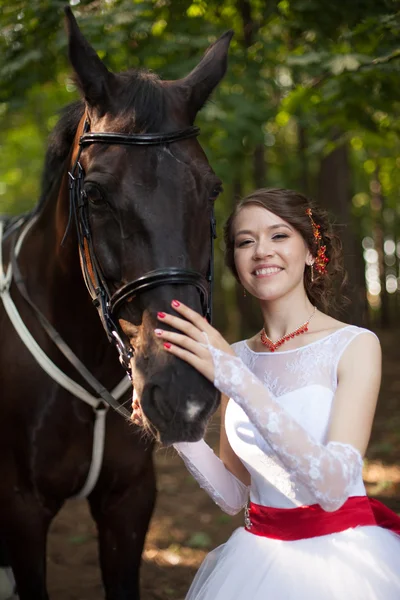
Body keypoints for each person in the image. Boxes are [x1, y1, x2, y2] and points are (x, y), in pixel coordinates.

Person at [133, 187, 400, 599]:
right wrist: (176, 431)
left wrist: (235, 377)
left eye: (279, 236)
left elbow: (331, 488)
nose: (261, 251)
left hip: (341, 563)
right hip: (256, 561)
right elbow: (233, 494)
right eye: (245, 241)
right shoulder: (235, 355)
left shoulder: (355, 345)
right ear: (235, 264)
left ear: (312, 252)